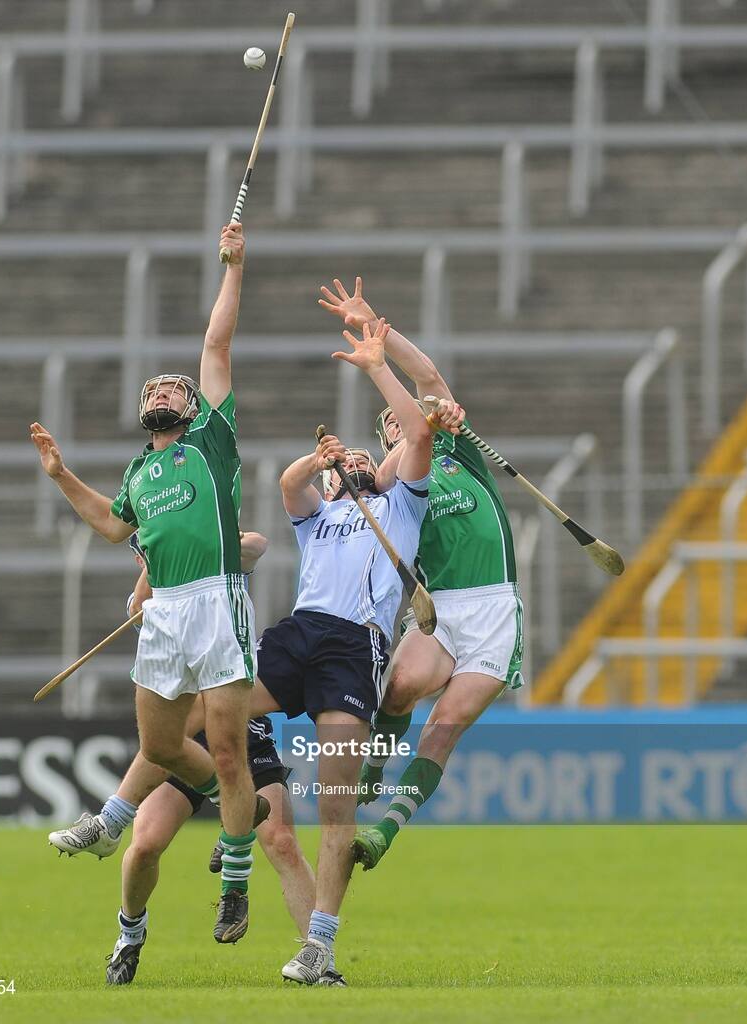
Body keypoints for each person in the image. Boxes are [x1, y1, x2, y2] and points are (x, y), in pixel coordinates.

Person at [31, 223, 260, 945]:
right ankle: (230, 809)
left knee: (227, 751)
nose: (165, 390)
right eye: (155, 387)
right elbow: (110, 526)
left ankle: (235, 878)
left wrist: (233, 267)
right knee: (163, 749)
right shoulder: (138, 472)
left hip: (217, 601)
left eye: (176, 387)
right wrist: (63, 475)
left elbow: (215, 346)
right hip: (164, 614)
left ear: (192, 408)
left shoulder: (212, 443)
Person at [248, 317, 459, 985]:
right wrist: (315, 464)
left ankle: (320, 947)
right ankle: (228, 820)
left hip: (353, 648)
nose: (359, 466)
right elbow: (288, 488)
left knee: (335, 805)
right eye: (350, 465)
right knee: (210, 711)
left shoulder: (400, 507)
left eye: (368, 460)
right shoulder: (320, 517)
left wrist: (375, 364)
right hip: (298, 631)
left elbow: (419, 434)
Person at [318, 277, 525, 870]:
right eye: (393, 427)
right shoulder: (396, 487)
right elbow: (401, 447)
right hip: (439, 611)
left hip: (491, 610)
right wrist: (404, 407)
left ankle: (383, 830)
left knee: (444, 725)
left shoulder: (459, 453)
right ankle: (376, 766)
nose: (407, 426)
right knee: (399, 687)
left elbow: (429, 380)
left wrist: (375, 326)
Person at [99, 533, 338, 986]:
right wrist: (154, 568)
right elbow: (140, 611)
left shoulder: (216, 553)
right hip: (189, 742)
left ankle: (320, 960)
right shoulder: (148, 595)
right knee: (144, 845)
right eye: (143, 547)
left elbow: (256, 544)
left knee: (283, 842)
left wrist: (206, 544)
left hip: (243, 735)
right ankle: (130, 933)